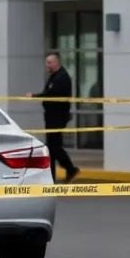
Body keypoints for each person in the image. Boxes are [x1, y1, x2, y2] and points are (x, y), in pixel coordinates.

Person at [26, 52, 79, 183]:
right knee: (53, 146)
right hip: (52, 116)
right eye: (47, 62)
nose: (47, 65)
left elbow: (51, 94)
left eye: (50, 62)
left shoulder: (61, 78)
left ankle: (66, 170)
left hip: (57, 117)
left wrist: (34, 96)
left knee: (53, 146)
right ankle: (64, 171)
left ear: (57, 62)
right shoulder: (54, 76)